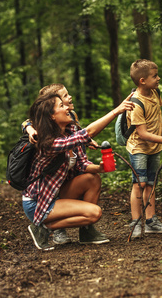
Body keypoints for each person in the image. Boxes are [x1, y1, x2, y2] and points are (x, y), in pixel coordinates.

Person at [23, 92, 135, 250]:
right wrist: (116, 111)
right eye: (61, 106)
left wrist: (100, 168)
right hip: (39, 202)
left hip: (56, 194)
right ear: (52, 116)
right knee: (94, 214)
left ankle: (86, 232)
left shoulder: (68, 132)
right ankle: (43, 227)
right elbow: (88, 133)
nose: (66, 107)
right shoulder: (49, 142)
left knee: (92, 178)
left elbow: (82, 164)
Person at [21, 84, 97, 245]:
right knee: (55, 194)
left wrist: (87, 140)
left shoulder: (70, 119)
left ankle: (86, 229)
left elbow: (79, 133)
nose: (69, 98)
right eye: (64, 97)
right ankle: (51, 228)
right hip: (44, 191)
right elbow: (28, 121)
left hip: (64, 179)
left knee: (92, 178)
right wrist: (28, 128)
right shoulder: (46, 133)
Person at [125, 59, 162, 239]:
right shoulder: (136, 103)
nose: (158, 78)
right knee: (139, 184)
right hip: (139, 148)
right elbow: (142, 133)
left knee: (151, 183)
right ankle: (135, 223)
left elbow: (157, 118)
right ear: (142, 80)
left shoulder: (155, 93)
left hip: (155, 147)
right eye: (154, 76)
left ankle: (151, 222)